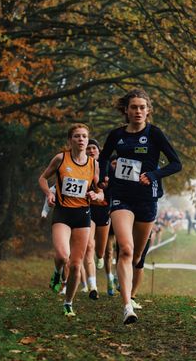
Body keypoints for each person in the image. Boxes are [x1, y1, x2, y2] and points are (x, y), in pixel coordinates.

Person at [98, 88, 182, 324]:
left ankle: (128, 288)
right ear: (126, 110)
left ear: (148, 111)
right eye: (133, 107)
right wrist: (104, 176)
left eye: (142, 107)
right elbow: (104, 156)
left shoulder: (155, 134)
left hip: (147, 198)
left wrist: (154, 175)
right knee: (124, 249)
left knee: (135, 256)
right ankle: (127, 306)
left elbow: (176, 164)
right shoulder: (116, 135)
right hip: (121, 196)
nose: (138, 111)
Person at [39, 123, 103, 317]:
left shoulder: (94, 164)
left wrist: (97, 196)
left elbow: (98, 189)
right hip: (62, 213)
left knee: (76, 264)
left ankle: (68, 302)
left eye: (84, 136)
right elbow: (42, 178)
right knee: (62, 256)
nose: (81, 139)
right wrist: (48, 195)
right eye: (77, 136)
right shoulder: (61, 158)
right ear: (70, 140)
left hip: (83, 215)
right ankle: (58, 273)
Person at [84, 139, 112, 300]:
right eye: (88, 149)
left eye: (94, 148)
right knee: (89, 246)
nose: (91, 150)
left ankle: (100, 257)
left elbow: (113, 187)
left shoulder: (106, 167)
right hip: (88, 209)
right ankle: (93, 286)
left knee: (100, 250)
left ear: (99, 151)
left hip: (104, 210)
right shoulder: (81, 166)